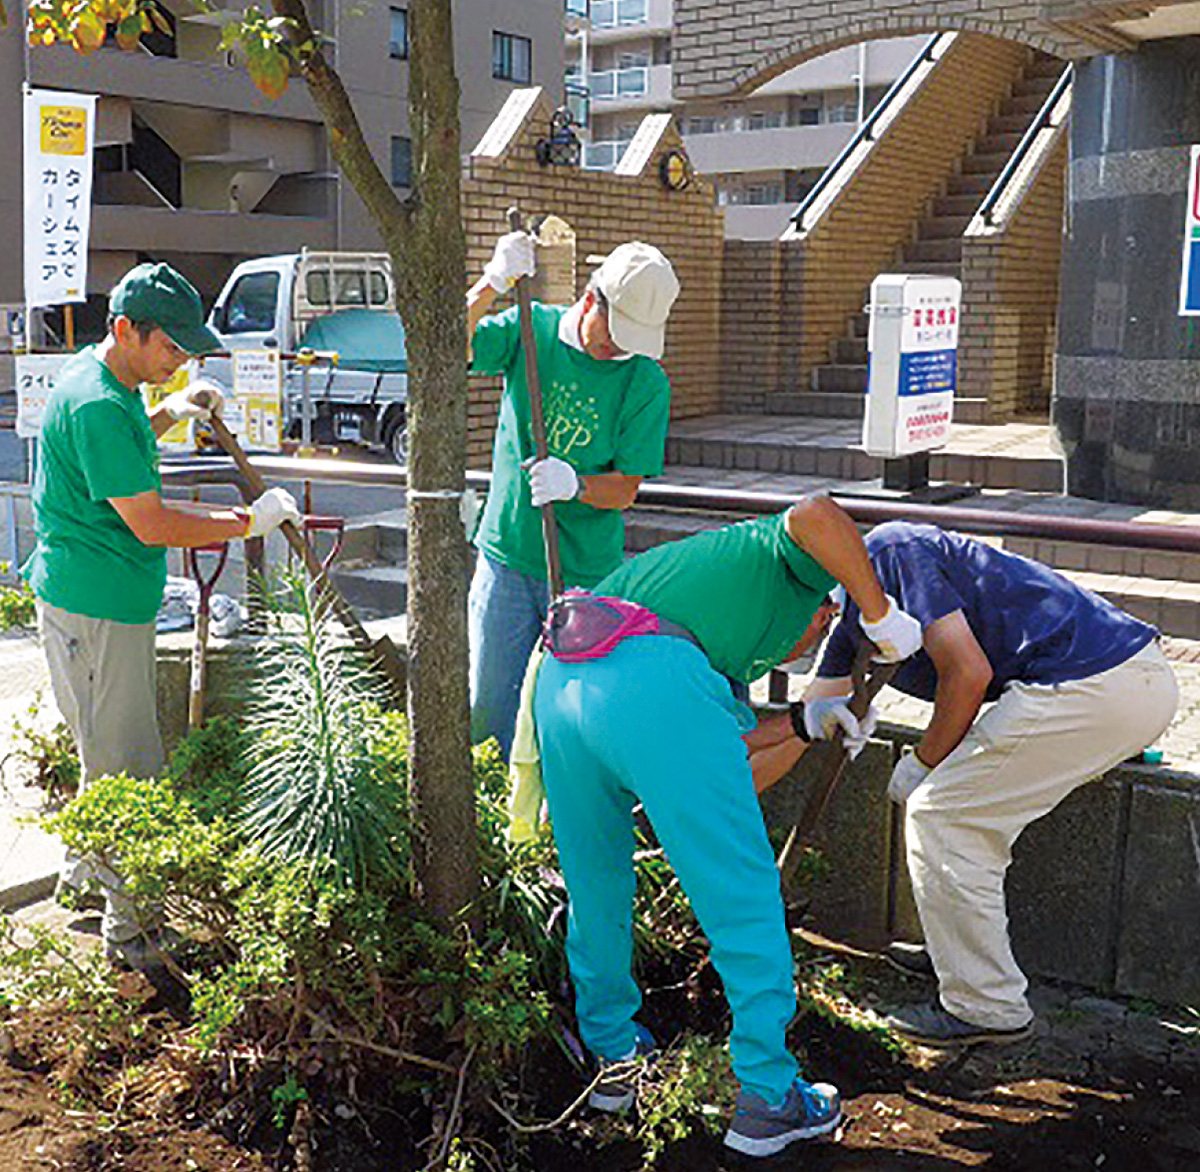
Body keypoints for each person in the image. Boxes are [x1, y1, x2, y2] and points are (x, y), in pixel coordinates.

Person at [531, 496, 923, 1158]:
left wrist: (805, 722)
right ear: (828, 610)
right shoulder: (786, 567)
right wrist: (882, 613)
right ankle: (770, 1098)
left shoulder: (699, 611)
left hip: (563, 684)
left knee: (595, 885)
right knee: (745, 898)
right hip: (650, 688)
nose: (801, 656)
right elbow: (816, 513)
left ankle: (612, 1061)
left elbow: (721, 760)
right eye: (814, 646)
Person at [23, 261, 301, 967]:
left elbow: (111, 454)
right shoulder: (98, 404)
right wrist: (246, 522)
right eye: (171, 349)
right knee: (129, 765)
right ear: (126, 330)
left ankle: (84, 882)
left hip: (94, 598)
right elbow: (148, 522)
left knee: (101, 750)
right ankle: (133, 930)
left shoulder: (100, 382)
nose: (179, 360)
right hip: (98, 606)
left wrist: (169, 412)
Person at [807, 520, 1178, 1047]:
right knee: (956, 812)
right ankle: (955, 955)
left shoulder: (892, 551)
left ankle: (985, 1006)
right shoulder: (847, 617)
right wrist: (809, 724)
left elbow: (967, 673)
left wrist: (923, 762)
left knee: (944, 815)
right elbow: (815, 705)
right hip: (1114, 686)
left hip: (1098, 687)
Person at [466, 231, 679, 758]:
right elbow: (446, 342)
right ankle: (495, 823)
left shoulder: (645, 382)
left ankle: (557, 824)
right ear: (589, 300)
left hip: (586, 574)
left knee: (576, 716)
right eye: (616, 332)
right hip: (508, 557)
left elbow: (625, 488)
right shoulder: (530, 331)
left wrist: (576, 485)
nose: (621, 348)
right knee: (490, 706)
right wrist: (491, 284)